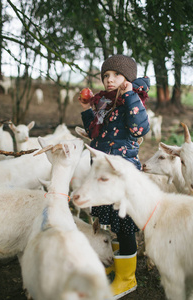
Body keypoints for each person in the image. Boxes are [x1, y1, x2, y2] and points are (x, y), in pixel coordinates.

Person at [78, 54, 150, 299]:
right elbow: (94, 134)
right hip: (104, 176)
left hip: (123, 176)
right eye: (105, 75)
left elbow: (140, 128)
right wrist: (88, 109)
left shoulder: (133, 100)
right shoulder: (105, 103)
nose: (109, 80)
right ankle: (118, 266)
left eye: (116, 75)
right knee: (115, 224)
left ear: (127, 78)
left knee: (125, 227)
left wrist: (129, 94)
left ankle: (127, 279)